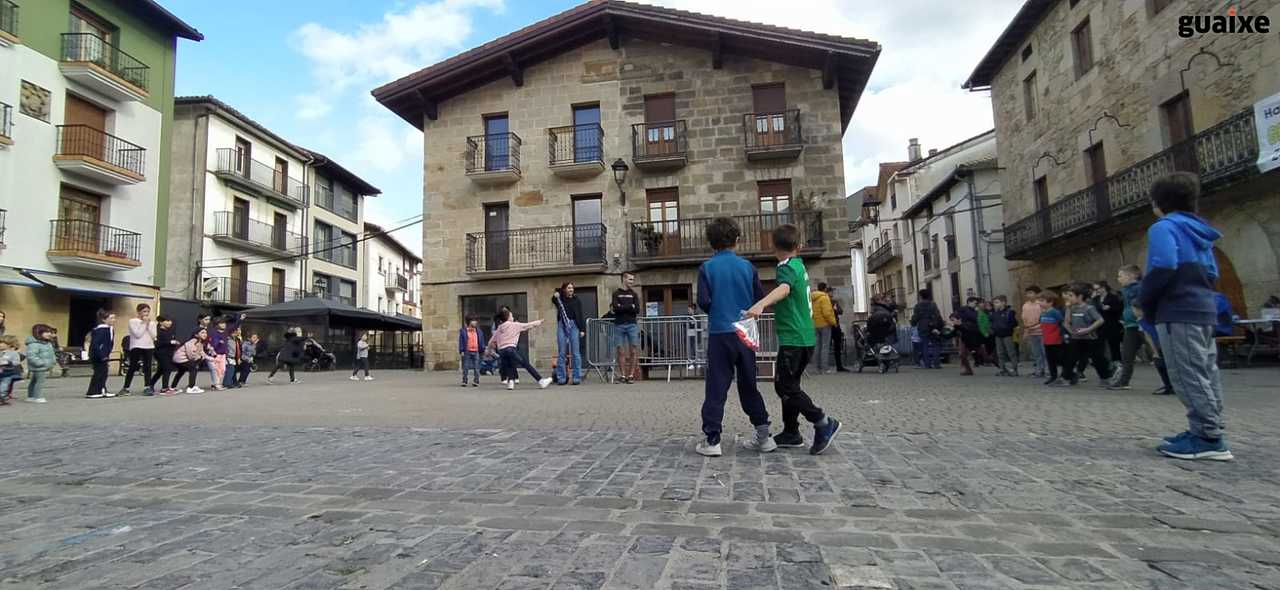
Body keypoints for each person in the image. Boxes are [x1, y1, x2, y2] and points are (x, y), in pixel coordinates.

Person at [1139, 173, 1231, 460]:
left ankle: (1208, 438)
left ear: (1158, 203)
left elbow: (1164, 264)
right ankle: (1206, 427)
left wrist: (1146, 299)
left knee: (1186, 373)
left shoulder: (1163, 227)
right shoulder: (1201, 230)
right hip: (1203, 308)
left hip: (1177, 310)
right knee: (1206, 372)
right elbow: (1212, 273)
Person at [746, 224, 842, 455]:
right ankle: (791, 432)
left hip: (794, 338)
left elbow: (784, 289)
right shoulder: (799, 264)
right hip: (805, 336)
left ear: (773, 247)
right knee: (790, 386)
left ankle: (823, 422)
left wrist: (761, 304)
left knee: (784, 386)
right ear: (799, 246)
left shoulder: (786, 267)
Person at [695, 217, 773, 457]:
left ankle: (713, 439)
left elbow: (703, 301)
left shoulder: (706, 268)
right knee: (749, 384)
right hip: (745, 331)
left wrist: (718, 310)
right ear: (737, 240)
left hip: (720, 331)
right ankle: (764, 435)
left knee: (716, 387)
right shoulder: (748, 267)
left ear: (710, 242)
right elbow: (758, 297)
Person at [1060, 283, 1112, 387]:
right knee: (1070, 358)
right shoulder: (1071, 308)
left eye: (1071, 295)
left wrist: (1088, 329)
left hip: (1090, 338)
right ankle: (1066, 378)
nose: (1068, 298)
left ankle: (1105, 379)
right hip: (1076, 338)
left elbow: (1100, 320)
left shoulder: (1089, 308)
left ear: (1080, 296)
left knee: (1097, 359)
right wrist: (1072, 331)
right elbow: (1066, 323)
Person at [490, 310, 553, 390]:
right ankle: (541, 381)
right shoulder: (514, 325)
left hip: (501, 351)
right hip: (511, 349)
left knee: (509, 365)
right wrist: (539, 322)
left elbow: (492, 340)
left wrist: (488, 349)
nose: (513, 317)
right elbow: (528, 325)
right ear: (508, 318)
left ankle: (511, 383)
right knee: (525, 364)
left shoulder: (500, 327)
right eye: (511, 316)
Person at [1108, 266, 1144, 391]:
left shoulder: (1139, 288)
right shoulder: (1124, 290)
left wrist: (1142, 317)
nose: (1118, 279)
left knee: (1158, 353)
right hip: (1130, 325)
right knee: (1127, 355)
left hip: (1142, 324)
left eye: (1120, 276)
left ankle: (1170, 384)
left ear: (1132, 276)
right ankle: (1123, 381)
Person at [552, 283, 585, 385]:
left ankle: (576, 377)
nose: (571, 289)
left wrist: (582, 329)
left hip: (574, 325)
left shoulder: (576, 300)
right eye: (569, 288)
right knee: (562, 352)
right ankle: (561, 377)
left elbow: (580, 314)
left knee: (575, 352)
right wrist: (556, 295)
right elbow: (553, 299)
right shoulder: (560, 299)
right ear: (564, 289)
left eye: (572, 288)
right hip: (562, 325)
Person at [610, 273, 641, 383]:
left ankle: (631, 375)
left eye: (633, 279)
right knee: (620, 351)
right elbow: (615, 308)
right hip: (619, 325)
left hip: (632, 324)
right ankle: (623, 375)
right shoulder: (616, 294)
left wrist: (622, 307)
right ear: (624, 279)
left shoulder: (634, 294)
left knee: (633, 350)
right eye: (630, 279)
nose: (632, 281)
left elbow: (637, 310)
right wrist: (629, 306)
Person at [120, 303, 157, 396]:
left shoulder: (152, 323)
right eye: (144, 311)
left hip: (149, 346)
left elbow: (154, 336)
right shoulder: (133, 321)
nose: (146, 313)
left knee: (147, 367)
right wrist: (144, 324)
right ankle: (126, 388)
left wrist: (148, 325)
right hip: (137, 346)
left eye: (148, 311)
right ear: (138, 312)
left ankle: (147, 387)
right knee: (133, 366)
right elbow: (138, 334)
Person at [1092, 281, 1125, 366]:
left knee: (1114, 343)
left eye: (1098, 288)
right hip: (1099, 324)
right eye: (1095, 289)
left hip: (1112, 323)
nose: (1096, 291)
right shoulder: (1095, 299)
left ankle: (1116, 360)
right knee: (1100, 344)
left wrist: (1110, 308)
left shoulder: (1113, 297)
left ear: (1103, 288)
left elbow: (1120, 308)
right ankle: (1103, 361)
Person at [207, 314, 243, 391]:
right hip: (215, 354)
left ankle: (217, 383)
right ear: (216, 324)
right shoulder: (213, 333)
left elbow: (234, 326)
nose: (224, 324)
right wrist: (218, 342)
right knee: (215, 370)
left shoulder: (225, 332)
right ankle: (216, 384)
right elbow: (212, 343)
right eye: (221, 323)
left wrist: (240, 319)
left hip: (223, 354)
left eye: (224, 323)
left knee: (222, 369)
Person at [86, 309, 117, 399]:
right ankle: (92, 391)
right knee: (99, 373)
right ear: (104, 319)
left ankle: (102, 389)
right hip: (98, 355)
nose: (114, 320)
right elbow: (95, 344)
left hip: (104, 354)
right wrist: (102, 355)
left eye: (114, 318)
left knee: (104, 372)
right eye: (111, 318)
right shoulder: (100, 330)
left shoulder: (109, 329)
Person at [1038, 292, 1067, 385]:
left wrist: (1062, 336)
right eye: (1039, 300)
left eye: (1042, 301)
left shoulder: (1055, 312)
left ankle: (1068, 375)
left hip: (1056, 341)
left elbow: (1062, 323)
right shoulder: (1043, 313)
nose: (1039, 302)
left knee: (1060, 359)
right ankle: (1053, 376)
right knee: (1050, 360)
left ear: (1050, 302)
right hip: (1046, 341)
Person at [910, 290, 944, 369]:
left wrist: (913, 323)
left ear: (921, 296)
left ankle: (927, 364)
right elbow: (937, 315)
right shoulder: (933, 304)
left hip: (923, 327)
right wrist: (939, 324)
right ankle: (936, 363)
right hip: (933, 326)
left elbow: (915, 317)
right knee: (935, 345)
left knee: (924, 345)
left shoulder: (918, 306)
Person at [23, 325, 56, 403]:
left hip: (43, 366)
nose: (49, 334)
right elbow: (31, 356)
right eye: (46, 332)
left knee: (34, 381)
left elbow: (51, 354)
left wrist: (53, 361)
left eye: (50, 332)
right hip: (40, 366)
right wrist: (41, 363)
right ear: (38, 333)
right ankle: (38, 397)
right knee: (40, 382)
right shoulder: (34, 344)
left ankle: (31, 396)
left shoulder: (47, 343)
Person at [147, 316, 179, 395]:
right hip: (161, 353)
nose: (170, 322)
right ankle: (165, 388)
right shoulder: (158, 331)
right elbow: (157, 343)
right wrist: (170, 342)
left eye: (170, 321)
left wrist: (174, 343)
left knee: (160, 371)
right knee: (167, 369)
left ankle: (150, 385)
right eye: (167, 321)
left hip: (169, 353)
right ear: (161, 322)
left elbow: (172, 340)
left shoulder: (169, 331)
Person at [810, 282, 837, 374]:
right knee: (825, 346)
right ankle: (824, 368)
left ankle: (816, 368)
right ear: (825, 289)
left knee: (817, 346)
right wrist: (833, 322)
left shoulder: (812, 298)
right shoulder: (824, 298)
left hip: (815, 324)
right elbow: (827, 313)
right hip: (825, 324)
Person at [172, 328, 210, 394]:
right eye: (202, 333)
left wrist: (213, 359)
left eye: (206, 333)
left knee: (181, 371)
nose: (205, 334)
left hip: (183, 359)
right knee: (193, 368)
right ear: (196, 335)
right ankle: (191, 387)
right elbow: (191, 356)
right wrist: (200, 357)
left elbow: (202, 353)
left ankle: (173, 387)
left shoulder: (200, 342)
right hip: (180, 359)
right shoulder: (192, 342)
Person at [951, 297, 982, 376]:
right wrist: (954, 319)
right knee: (962, 353)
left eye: (976, 304)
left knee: (979, 352)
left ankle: (981, 361)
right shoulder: (963, 309)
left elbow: (976, 320)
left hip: (973, 334)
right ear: (969, 302)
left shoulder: (976, 311)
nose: (976, 305)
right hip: (964, 334)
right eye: (975, 303)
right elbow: (953, 315)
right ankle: (967, 369)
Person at [1021, 286, 1046, 378]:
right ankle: (1039, 370)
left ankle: (1047, 370)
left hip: (1042, 332)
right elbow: (1024, 319)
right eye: (1027, 293)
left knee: (1045, 352)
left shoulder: (1041, 304)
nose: (1028, 295)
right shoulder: (1025, 305)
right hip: (1031, 332)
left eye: (1031, 293)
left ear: (1037, 294)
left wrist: (1032, 327)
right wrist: (1026, 330)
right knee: (1036, 353)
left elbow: (1043, 318)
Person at [990, 295, 1019, 376]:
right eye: (994, 303)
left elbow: (1014, 323)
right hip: (997, 335)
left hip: (1007, 335)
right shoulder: (994, 313)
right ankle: (1002, 369)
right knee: (1000, 353)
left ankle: (1014, 369)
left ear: (1003, 303)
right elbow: (991, 322)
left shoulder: (1009, 312)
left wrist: (1006, 328)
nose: (995, 304)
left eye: (997, 302)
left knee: (1011, 352)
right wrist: (993, 329)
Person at [458, 318, 486, 387]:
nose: (475, 322)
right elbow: (461, 341)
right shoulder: (464, 331)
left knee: (476, 367)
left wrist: (482, 349)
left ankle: (476, 380)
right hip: (467, 351)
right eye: (473, 321)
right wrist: (461, 350)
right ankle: (464, 380)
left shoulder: (478, 331)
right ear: (470, 322)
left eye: (476, 321)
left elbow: (481, 340)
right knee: (466, 367)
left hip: (476, 351)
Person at [828, 289, 849, 372]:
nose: (832, 293)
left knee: (837, 346)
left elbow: (840, 311)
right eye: (831, 292)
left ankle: (839, 366)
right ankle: (825, 366)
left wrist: (835, 309)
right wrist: (834, 310)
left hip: (835, 325)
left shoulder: (834, 302)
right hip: (830, 325)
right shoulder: (826, 301)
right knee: (827, 346)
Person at [0, 335, 21, 404]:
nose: (0, 345)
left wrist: (8, 362)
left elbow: (17, 362)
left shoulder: (13, 353)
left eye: (2, 343)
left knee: (4, 385)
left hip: (7, 373)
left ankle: (2, 397)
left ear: (9, 345)